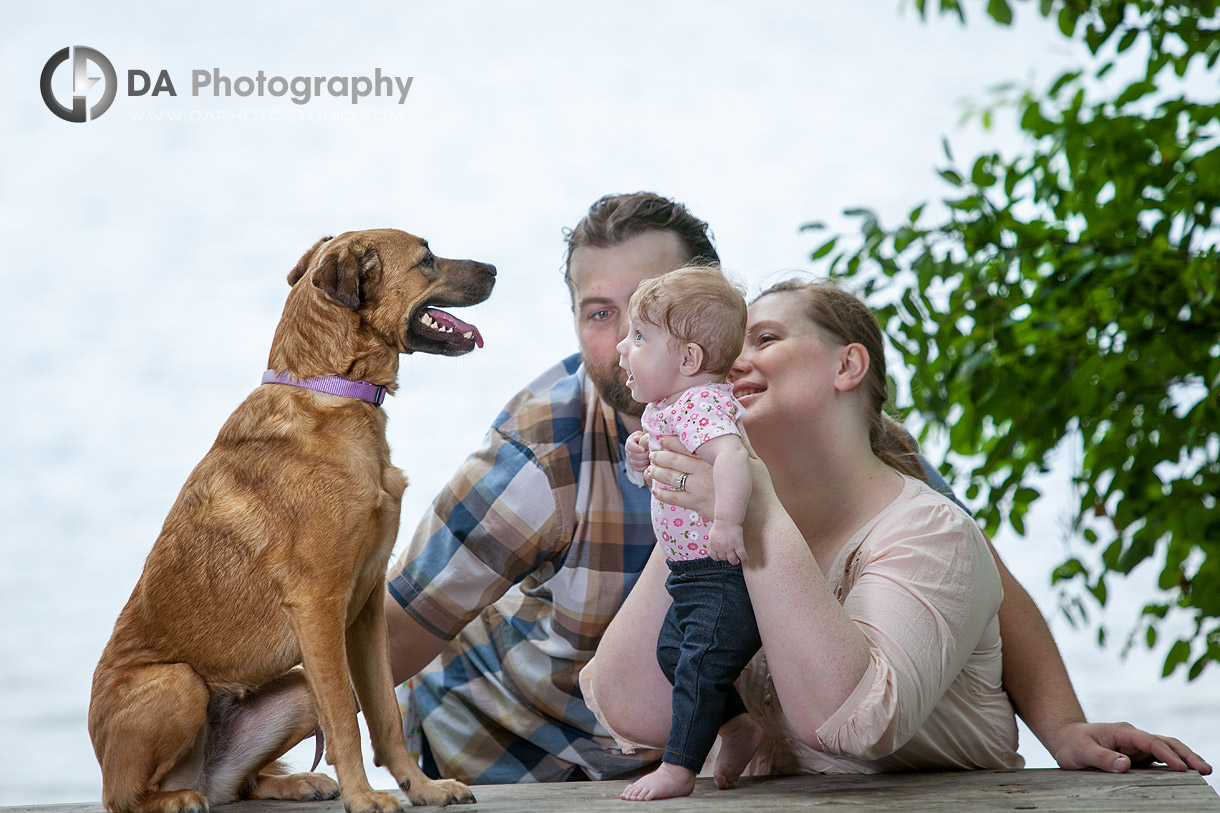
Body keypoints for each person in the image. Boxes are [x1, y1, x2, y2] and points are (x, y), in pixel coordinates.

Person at [381, 191, 1211, 784]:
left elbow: (978, 575)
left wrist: (1061, 724)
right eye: (602, 314)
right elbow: (402, 623)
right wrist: (260, 732)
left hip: (693, 764)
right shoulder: (548, 443)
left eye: (654, 306)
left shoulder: (830, 448)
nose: (628, 340)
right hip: (494, 755)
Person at [581, 279, 1026, 782]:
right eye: (726, 347)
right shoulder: (723, 504)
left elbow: (849, 724)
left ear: (847, 366)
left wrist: (750, 507)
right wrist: (699, 496)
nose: (727, 364)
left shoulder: (933, 533)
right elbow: (634, 708)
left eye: (765, 339)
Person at [614, 266, 759, 800]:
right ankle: (738, 727)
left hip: (718, 572)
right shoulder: (665, 410)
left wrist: (727, 523)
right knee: (675, 655)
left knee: (697, 664)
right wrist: (638, 456)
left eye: (639, 337)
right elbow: (659, 477)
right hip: (689, 574)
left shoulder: (703, 404)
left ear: (689, 359)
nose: (623, 349)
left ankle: (679, 769)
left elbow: (733, 461)